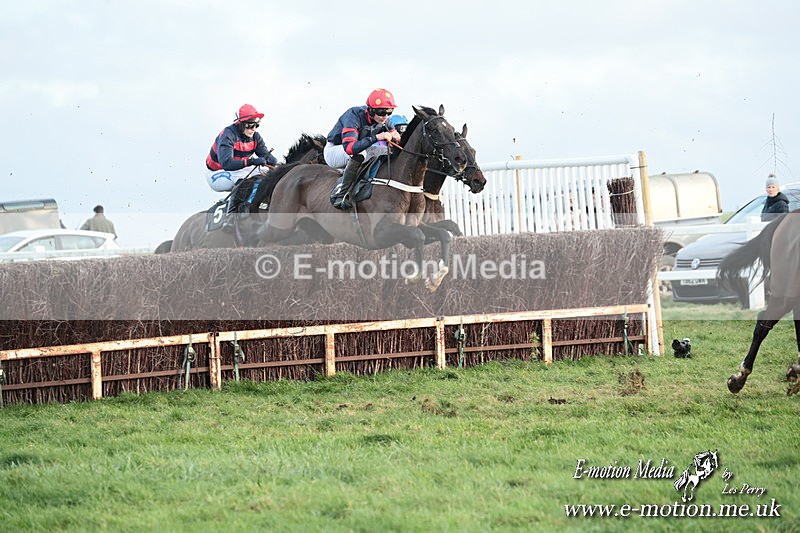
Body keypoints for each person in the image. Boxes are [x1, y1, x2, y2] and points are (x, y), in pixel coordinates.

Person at [324, 88, 402, 209]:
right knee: (362, 153)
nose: (385, 116)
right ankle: (340, 193)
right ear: (371, 111)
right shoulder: (353, 116)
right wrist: (377, 137)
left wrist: (396, 137)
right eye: (381, 112)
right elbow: (350, 148)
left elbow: (394, 133)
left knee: (384, 151)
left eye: (389, 112)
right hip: (335, 150)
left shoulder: (385, 120)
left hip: (358, 150)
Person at [206, 104, 278, 231]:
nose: (253, 129)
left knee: (268, 173)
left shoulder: (255, 137)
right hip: (217, 172)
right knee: (242, 177)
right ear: (241, 124)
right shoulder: (228, 135)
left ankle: (255, 203)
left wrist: (273, 161)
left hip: (237, 169)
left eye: (256, 125)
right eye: (250, 125)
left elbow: (264, 155)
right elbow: (227, 163)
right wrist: (251, 161)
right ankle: (230, 217)